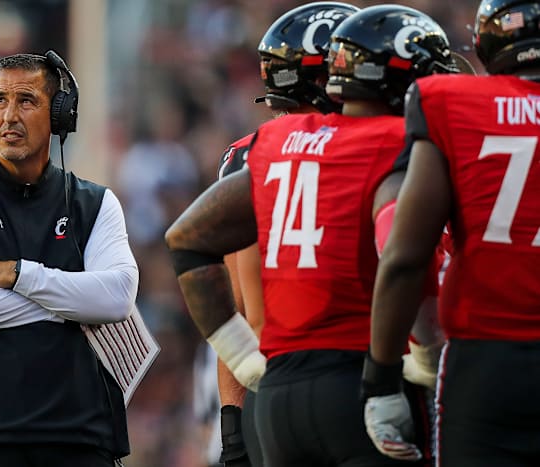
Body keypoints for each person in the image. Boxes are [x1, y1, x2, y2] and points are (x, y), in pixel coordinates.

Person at [166, 5, 458, 466]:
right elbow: (402, 258)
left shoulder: (262, 147)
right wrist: (424, 361)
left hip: (271, 388)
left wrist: (233, 414)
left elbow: (232, 294)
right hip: (364, 378)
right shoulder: (387, 142)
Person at [0, 51, 139, 467]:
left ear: (59, 114)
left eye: (26, 100)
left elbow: (117, 298)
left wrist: (19, 274)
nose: (9, 115)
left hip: (80, 437)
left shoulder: (96, 203)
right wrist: (71, 305)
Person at [361, 0, 540, 465]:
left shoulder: (451, 102)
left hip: (488, 363)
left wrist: (380, 378)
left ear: (486, 44)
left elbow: (404, 256)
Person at [212, 3, 359, 466]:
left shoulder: (247, 155)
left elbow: (232, 309)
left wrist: (232, 425)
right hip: (356, 382)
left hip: (268, 394)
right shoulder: (376, 144)